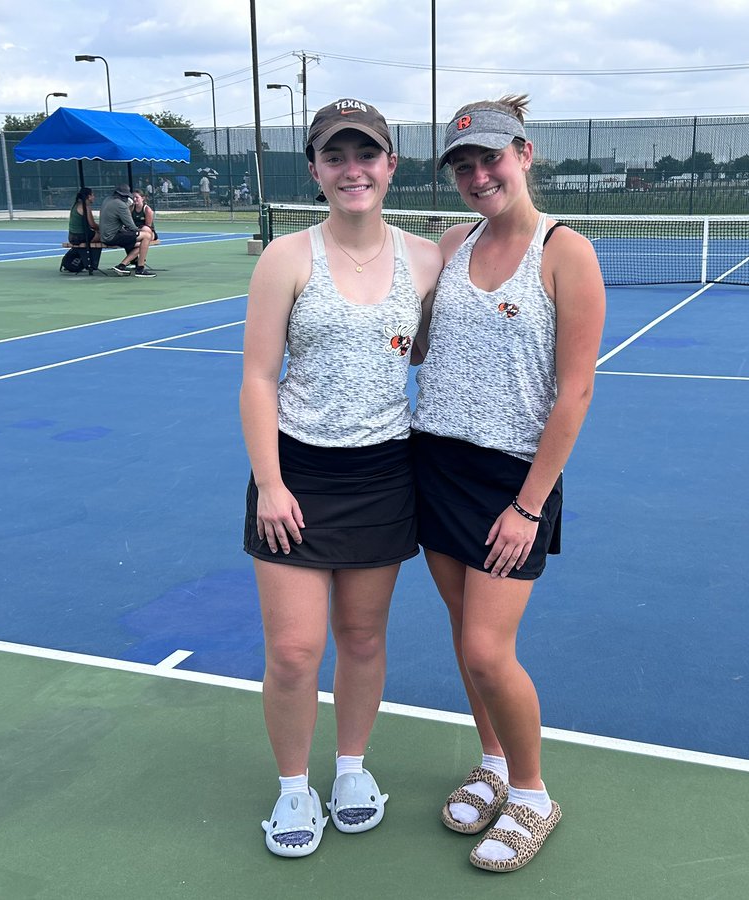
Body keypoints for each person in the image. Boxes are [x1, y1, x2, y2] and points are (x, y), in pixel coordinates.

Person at [240, 97, 442, 859]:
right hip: (295, 473)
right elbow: (259, 378)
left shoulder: (427, 260)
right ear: (317, 170)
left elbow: (417, 350)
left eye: (367, 155)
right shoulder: (286, 258)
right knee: (294, 650)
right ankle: (295, 786)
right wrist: (270, 482)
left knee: (361, 638)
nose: (352, 169)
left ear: (391, 165)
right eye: (335, 157)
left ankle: (351, 769)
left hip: (386, 472)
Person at [411, 95, 605, 872]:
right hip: (437, 463)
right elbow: (413, 339)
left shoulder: (567, 252)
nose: (477, 174)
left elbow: (576, 392)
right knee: (464, 637)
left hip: (510, 482)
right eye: (463, 165)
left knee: (490, 650)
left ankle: (530, 793)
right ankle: (491, 759)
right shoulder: (452, 243)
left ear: (525, 154)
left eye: (490, 158)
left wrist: (530, 504)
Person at [99, 183, 157, 277]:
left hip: (105, 235)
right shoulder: (121, 205)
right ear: (123, 196)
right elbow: (131, 226)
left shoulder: (107, 200)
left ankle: (122, 265)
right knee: (146, 236)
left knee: (141, 245)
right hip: (112, 237)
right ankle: (140, 269)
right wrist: (139, 230)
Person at [65, 186, 100, 274]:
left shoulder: (75, 205)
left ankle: (87, 262)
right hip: (81, 236)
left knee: (97, 236)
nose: (94, 197)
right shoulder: (85, 207)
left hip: (72, 236)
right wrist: (103, 228)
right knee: (103, 236)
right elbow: (92, 225)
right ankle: (92, 263)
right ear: (88, 196)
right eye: (93, 195)